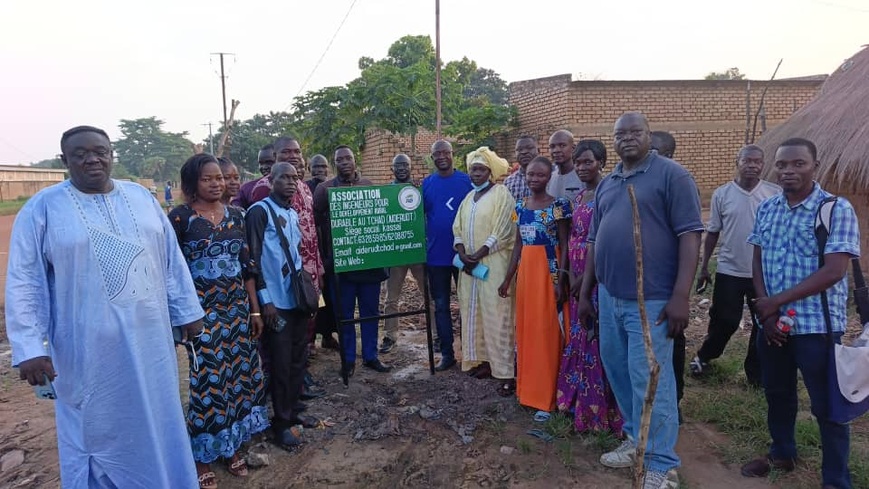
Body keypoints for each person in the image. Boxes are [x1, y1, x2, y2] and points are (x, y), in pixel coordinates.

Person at [5, 126, 204, 488]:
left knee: (158, 419)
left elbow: (169, 258)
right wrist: (31, 349)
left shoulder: (141, 198)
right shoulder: (43, 209)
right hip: (87, 352)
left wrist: (187, 311)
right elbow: (25, 280)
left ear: (111, 154)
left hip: (151, 344)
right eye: (80, 154)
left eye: (100, 151)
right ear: (65, 160)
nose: (92, 159)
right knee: (95, 431)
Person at [578, 112, 703, 489]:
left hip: (653, 301)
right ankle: (636, 439)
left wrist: (681, 294)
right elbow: (595, 242)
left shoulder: (672, 175)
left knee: (651, 380)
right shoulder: (610, 182)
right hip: (611, 297)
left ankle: (662, 464)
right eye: (620, 133)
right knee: (619, 372)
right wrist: (587, 295)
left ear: (649, 135)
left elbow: (690, 236)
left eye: (636, 132)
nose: (627, 138)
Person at [740, 138, 860, 488]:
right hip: (773, 324)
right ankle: (782, 453)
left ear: (815, 165)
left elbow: (834, 271)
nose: (788, 171)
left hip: (816, 327)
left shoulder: (835, 209)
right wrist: (766, 313)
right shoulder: (768, 208)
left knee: (828, 406)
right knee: (777, 393)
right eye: (782, 165)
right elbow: (758, 259)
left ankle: (836, 479)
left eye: (798, 164)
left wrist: (775, 302)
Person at [169, 154, 269, 487]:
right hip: (200, 317)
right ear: (192, 183)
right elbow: (173, 272)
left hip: (237, 312)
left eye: (220, 178)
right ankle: (201, 455)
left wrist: (254, 310)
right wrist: (181, 317)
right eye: (208, 179)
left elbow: (248, 268)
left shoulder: (237, 216)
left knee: (238, 379)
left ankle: (229, 447)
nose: (217, 183)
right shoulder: (180, 219)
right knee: (207, 384)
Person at [691, 145, 780, 386]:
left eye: (757, 161)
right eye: (747, 161)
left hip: (763, 273)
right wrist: (704, 267)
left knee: (762, 323)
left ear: (763, 164)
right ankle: (704, 356)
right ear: (736, 161)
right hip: (729, 270)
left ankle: (756, 374)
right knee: (725, 320)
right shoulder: (722, 194)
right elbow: (712, 232)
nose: (752, 165)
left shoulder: (774, 193)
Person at [245, 162, 318, 451]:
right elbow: (253, 261)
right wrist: (265, 302)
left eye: (294, 178)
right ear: (270, 180)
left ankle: (295, 410)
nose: (291, 182)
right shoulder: (259, 212)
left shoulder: (291, 212)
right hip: (275, 303)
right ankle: (281, 424)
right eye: (284, 178)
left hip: (296, 300)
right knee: (280, 362)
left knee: (299, 357)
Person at [556, 140, 623, 434]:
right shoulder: (581, 196)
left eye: (588, 162)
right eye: (579, 162)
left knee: (597, 340)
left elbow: (605, 241)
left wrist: (586, 279)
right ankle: (577, 402)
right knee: (580, 338)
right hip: (576, 276)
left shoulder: (610, 194)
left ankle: (601, 411)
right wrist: (567, 273)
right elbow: (572, 238)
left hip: (598, 278)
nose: (582, 168)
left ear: (601, 162)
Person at [499, 155, 571, 419]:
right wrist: (508, 278)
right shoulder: (520, 205)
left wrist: (561, 280)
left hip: (549, 271)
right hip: (527, 274)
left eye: (540, 175)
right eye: (530, 175)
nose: (534, 179)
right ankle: (528, 391)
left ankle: (548, 396)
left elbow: (565, 244)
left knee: (548, 332)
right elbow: (518, 244)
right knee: (527, 331)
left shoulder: (559, 206)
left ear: (549, 176)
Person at [314, 146, 391, 376]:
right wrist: (325, 259)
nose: (345, 162)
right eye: (340, 159)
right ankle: (347, 360)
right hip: (341, 266)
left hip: (369, 265)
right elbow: (316, 227)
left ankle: (370, 356)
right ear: (334, 163)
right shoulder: (324, 189)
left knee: (370, 312)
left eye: (348, 158)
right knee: (344, 316)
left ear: (355, 161)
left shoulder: (369, 186)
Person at [453, 147, 517, 394]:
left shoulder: (502, 194)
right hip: (470, 270)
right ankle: (485, 362)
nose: (476, 174)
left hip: (493, 266)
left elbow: (504, 230)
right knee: (475, 313)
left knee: (497, 316)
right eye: (473, 170)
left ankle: (506, 372)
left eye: (480, 170)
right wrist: (462, 253)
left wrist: (477, 255)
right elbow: (457, 227)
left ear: (490, 172)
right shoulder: (469, 198)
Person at [273, 137, 326, 395]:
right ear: (276, 155)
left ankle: (302, 372)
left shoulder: (303, 187)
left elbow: (311, 230)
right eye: (287, 152)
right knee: (291, 328)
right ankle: (291, 380)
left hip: (310, 271)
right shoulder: (267, 189)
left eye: (297, 151)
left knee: (308, 322)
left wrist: (319, 268)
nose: (293, 155)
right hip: (287, 274)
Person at [423, 139, 473, 370]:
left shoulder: (467, 181)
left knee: (467, 304)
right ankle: (447, 354)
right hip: (436, 257)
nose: (441, 156)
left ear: (453, 155)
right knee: (441, 306)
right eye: (437, 153)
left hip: (464, 256)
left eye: (446, 152)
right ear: (432, 158)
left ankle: (471, 353)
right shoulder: (426, 184)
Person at [648, 130, 687, 419]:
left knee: (670, 348)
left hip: (666, 286)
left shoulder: (677, 183)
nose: (652, 156)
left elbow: (689, 239)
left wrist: (680, 295)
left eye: (657, 151)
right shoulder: (630, 181)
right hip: (638, 289)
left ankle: (673, 404)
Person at [381, 153, 427, 354]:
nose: (401, 168)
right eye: (397, 165)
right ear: (392, 169)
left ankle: (435, 335)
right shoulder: (388, 192)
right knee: (391, 298)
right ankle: (390, 336)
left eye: (405, 165)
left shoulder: (418, 189)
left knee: (429, 294)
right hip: (396, 252)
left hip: (417, 249)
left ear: (410, 167)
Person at [233, 144, 276, 209]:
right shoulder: (246, 188)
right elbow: (236, 209)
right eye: (261, 163)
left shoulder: (292, 186)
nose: (264, 167)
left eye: (269, 162)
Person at [547, 130, 583, 202]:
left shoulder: (583, 175)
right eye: (552, 146)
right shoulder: (549, 177)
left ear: (573, 148)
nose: (556, 150)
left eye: (562, 145)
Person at [504, 135, 538, 201]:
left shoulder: (549, 178)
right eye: (519, 150)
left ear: (538, 151)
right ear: (515, 153)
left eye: (529, 148)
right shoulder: (508, 182)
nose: (524, 152)